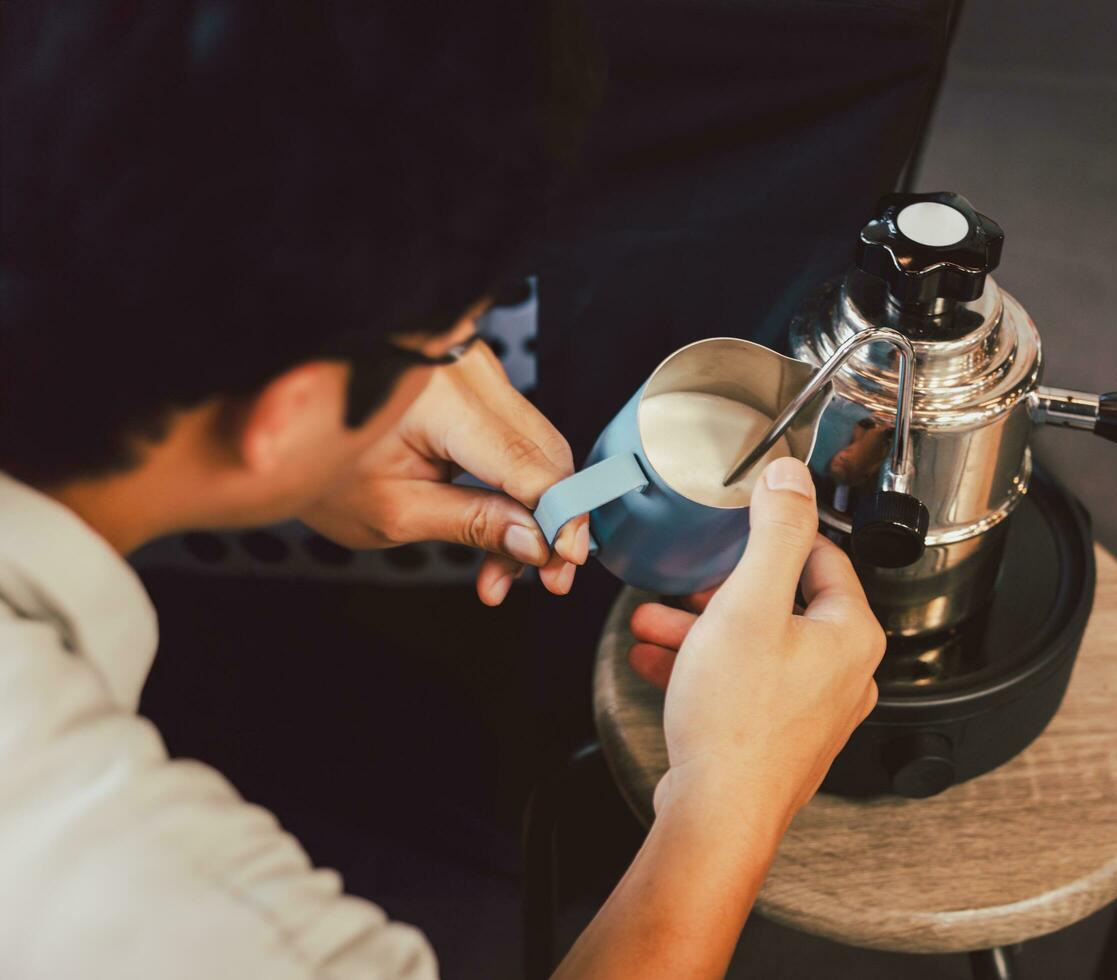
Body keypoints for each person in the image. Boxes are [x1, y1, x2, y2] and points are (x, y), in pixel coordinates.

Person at [0, 4, 884, 979]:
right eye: (447, 346)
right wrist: (730, 799)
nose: (457, 370)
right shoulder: (194, 915)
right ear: (283, 415)